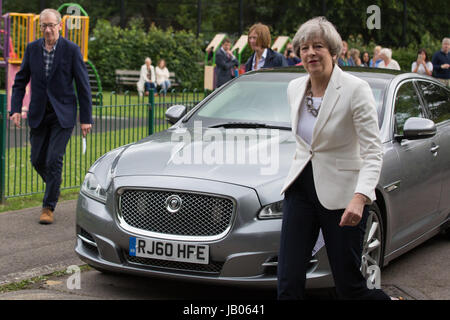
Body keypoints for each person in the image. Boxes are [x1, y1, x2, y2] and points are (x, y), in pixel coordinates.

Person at [278, 16, 392, 300]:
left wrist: (360, 196)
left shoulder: (355, 89)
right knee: (288, 281)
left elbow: (372, 150)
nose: (310, 53)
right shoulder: (294, 88)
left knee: (349, 287)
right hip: (300, 189)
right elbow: (308, 144)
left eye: (318, 46)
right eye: (304, 48)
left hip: (343, 196)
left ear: (333, 51)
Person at [10, 8, 92, 224]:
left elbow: (84, 87)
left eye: (51, 25)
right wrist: (15, 109)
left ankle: (48, 207)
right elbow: (20, 81)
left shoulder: (71, 50)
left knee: (54, 159)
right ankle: (54, 183)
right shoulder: (32, 49)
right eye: (44, 26)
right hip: (38, 113)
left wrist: (86, 118)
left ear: (59, 26)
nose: (48, 29)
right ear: (41, 28)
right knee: (37, 160)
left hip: (62, 114)